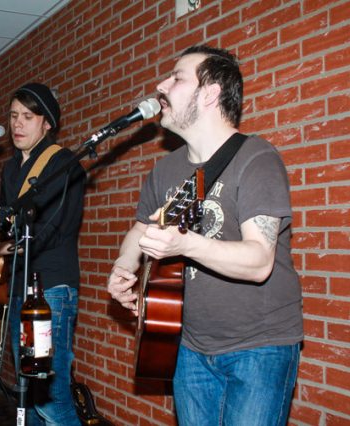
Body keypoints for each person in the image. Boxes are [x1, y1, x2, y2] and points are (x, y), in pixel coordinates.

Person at [107, 45, 303, 426]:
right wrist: (123, 266)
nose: (161, 85)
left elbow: (259, 261)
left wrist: (186, 244)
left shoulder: (257, 158)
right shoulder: (165, 170)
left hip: (259, 347)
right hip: (189, 345)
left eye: (177, 78)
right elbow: (141, 228)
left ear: (211, 93)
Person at [0, 82, 85, 425]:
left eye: (28, 116)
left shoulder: (62, 164)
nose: (17, 124)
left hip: (51, 288)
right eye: (13, 116)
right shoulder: (12, 169)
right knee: (28, 390)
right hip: (17, 287)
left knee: (51, 398)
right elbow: (7, 229)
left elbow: (49, 233)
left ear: (47, 123)